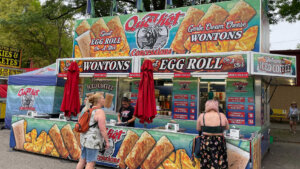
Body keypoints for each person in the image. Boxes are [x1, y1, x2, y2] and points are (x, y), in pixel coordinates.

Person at [76, 93, 110, 169]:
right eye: (103, 98)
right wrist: (107, 141)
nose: (104, 100)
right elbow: (102, 129)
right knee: (90, 163)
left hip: (84, 138)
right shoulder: (100, 111)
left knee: (82, 160)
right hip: (92, 141)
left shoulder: (88, 110)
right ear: (99, 100)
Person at [196, 100, 230, 169]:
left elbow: (198, 129)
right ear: (216, 106)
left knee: (206, 162)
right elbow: (227, 127)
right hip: (219, 143)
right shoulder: (222, 116)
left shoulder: (202, 116)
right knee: (219, 161)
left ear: (206, 107)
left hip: (206, 142)